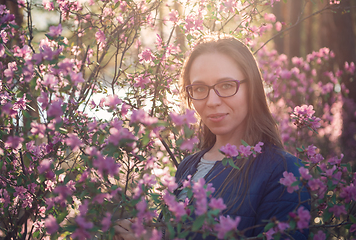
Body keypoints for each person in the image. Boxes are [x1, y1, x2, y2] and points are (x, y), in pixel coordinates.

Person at [115, 34, 311, 239]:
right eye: (199, 89)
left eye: (226, 85)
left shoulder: (284, 170)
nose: (212, 101)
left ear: (251, 88)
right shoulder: (189, 165)